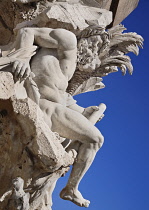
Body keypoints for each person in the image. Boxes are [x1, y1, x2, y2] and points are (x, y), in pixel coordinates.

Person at [9, 27, 106, 207]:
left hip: (53, 109)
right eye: (96, 44)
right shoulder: (68, 39)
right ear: (86, 37)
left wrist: (83, 112)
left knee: (90, 140)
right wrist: (20, 59)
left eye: (99, 49)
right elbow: (27, 32)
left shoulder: (68, 69)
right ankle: (70, 189)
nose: (95, 51)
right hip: (41, 104)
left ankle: (64, 189)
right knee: (96, 139)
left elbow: (63, 98)